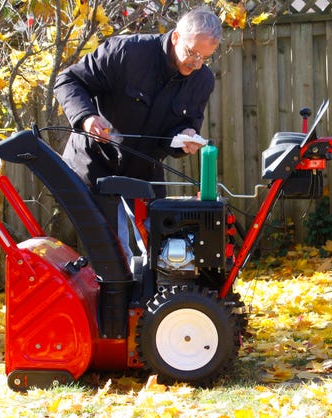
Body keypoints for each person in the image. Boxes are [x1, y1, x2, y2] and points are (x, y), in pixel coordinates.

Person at [54, 7, 222, 260]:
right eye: (192, 52)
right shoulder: (126, 52)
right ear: (175, 37)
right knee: (114, 255)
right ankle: (116, 299)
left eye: (204, 58)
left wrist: (185, 137)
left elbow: (182, 128)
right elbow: (68, 80)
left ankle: (158, 300)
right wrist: (86, 118)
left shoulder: (202, 80)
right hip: (95, 166)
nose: (196, 63)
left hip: (144, 172)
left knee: (167, 251)